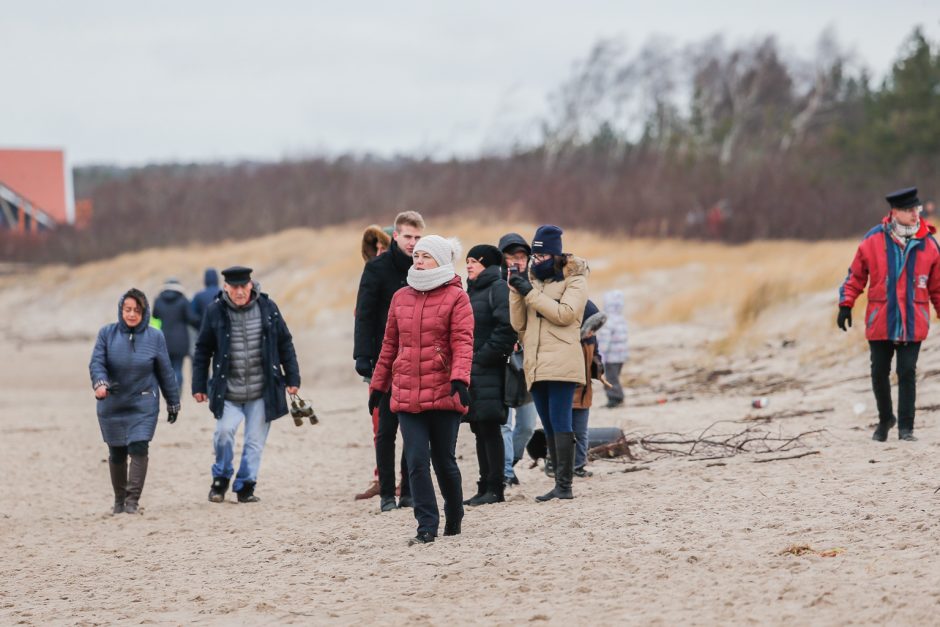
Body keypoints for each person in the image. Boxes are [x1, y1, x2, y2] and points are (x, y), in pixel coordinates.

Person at [369, 235, 473, 544]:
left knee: (444, 462)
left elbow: (463, 342)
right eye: (416, 255)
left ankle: (454, 513)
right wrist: (379, 384)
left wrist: (459, 379)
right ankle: (426, 526)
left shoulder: (457, 297)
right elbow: (389, 345)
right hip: (406, 392)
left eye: (425, 256)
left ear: (440, 260)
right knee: (415, 460)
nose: (418, 260)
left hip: (444, 391)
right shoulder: (401, 297)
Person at [838, 186, 940, 442]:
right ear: (894, 212)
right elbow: (856, 275)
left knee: (907, 372)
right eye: (908, 211)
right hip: (881, 318)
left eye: (916, 209)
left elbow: (938, 287)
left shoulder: (929, 244)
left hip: (913, 320)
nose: (915, 215)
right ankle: (886, 419)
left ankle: (907, 428)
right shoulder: (873, 240)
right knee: (878, 372)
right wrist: (846, 304)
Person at [193, 266, 301, 503]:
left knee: (254, 443)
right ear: (226, 288)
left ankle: (245, 486)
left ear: (251, 285)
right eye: (235, 287)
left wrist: (292, 378)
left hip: (262, 391)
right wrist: (198, 386)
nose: (240, 291)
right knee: (224, 433)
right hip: (228, 391)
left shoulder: (268, 309)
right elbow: (202, 350)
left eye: (244, 286)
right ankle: (220, 478)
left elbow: (285, 342)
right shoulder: (215, 312)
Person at [508, 224, 588, 502]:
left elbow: (565, 314)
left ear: (555, 255)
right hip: (536, 361)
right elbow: (518, 324)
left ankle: (565, 485)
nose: (537, 262)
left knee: (561, 420)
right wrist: (516, 291)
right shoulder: (533, 281)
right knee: (549, 424)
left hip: (563, 361)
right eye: (535, 258)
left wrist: (529, 292)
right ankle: (558, 482)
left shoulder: (574, 279)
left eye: (542, 257)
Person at [354, 211, 425, 510]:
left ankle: (407, 490)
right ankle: (386, 493)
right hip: (384, 360)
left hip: (417, 359)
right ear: (395, 236)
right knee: (385, 430)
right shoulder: (377, 268)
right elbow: (365, 314)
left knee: (413, 428)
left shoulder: (425, 266)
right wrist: (362, 356)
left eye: (418, 238)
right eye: (408, 237)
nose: (413, 243)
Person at [89, 288, 180, 515]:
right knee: (117, 452)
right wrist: (100, 383)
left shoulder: (155, 337)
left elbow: (166, 371)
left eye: (136, 310)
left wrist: (173, 402)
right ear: (121, 310)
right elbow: (97, 362)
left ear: (145, 312)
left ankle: (132, 501)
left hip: (143, 402)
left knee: (139, 447)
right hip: (112, 402)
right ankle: (119, 500)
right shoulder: (106, 334)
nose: (131, 314)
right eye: (127, 309)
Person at [462, 244, 516, 506]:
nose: (469, 265)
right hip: (473, 371)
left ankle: (496, 488)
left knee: (490, 428)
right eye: (467, 261)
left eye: (473, 261)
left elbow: (507, 329)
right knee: (478, 428)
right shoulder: (472, 290)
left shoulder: (497, 288)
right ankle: (484, 486)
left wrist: (480, 358)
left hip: (489, 370)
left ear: (487, 263)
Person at [497, 233, 538, 487]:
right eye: (511, 256)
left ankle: (510, 463)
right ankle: (505, 473)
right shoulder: (494, 284)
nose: (516, 261)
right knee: (504, 421)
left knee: (527, 425)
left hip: (529, 360)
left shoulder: (536, 283)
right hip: (501, 360)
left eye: (521, 256)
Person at [572, 299, 607, 477]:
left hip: (584, 387)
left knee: (580, 428)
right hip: (569, 383)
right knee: (565, 427)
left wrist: (598, 365)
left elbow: (596, 354)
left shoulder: (591, 339)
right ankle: (561, 464)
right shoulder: (569, 340)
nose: (592, 332)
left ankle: (578, 465)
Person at [152, 278, 195, 388]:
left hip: (163, 340)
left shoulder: (158, 301)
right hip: (181, 340)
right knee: (178, 368)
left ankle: (169, 392)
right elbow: (191, 318)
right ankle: (177, 392)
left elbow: (154, 317)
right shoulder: (183, 300)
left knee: (167, 368)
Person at [596, 289, 628, 408]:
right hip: (621, 356)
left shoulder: (607, 320)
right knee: (615, 377)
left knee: (610, 378)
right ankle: (617, 397)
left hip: (611, 357)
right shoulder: (621, 319)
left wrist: (600, 353)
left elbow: (604, 339)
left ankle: (615, 398)